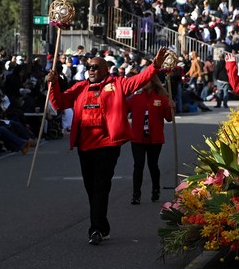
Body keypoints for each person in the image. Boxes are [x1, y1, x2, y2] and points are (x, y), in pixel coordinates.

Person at [47, 47, 171, 246]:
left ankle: (95, 229)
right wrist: (53, 85)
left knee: (100, 186)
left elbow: (138, 80)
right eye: (89, 67)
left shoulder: (117, 84)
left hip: (107, 145)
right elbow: (59, 103)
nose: (92, 70)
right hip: (85, 146)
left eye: (96, 67)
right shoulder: (79, 87)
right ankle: (102, 225)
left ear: (106, 70)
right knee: (91, 189)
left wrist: (155, 66)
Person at [126, 76, 175, 205]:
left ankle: (156, 190)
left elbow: (169, 118)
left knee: (153, 165)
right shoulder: (136, 97)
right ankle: (136, 195)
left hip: (155, 139)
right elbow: (123, 108)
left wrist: (172, 108)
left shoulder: (161, 98)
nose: (143, 83)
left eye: (146, 81)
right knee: (138, 166)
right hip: (137, 138)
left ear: (152, 82)